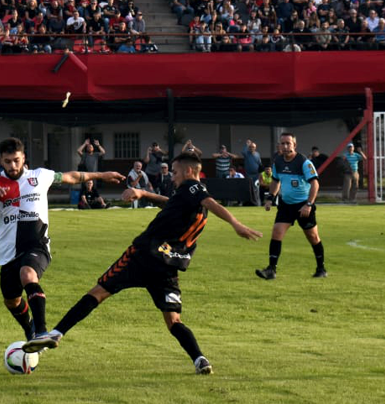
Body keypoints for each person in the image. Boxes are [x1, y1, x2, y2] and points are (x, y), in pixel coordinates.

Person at [22, 152, 262, 375]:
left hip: (142, 255)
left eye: (176, 172)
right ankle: (199, 359)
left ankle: (56, 333)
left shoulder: (194, 187)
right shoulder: (188, 195)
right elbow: (173, 203)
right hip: (167, 265)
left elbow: (212, 203)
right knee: (173, 321)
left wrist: (236, 224)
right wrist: (144, 194)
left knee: (99, 292)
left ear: (189, 171)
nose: (174, 177)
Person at [0, 138, 125, 344]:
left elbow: (71, 176)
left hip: (37, 245)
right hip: (8, 251)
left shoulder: (39, 176)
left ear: (24, 159)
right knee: (11, 301)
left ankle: (41, 332)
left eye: (16, 160)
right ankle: (29, 329)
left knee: (27, 274)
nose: (13, 165)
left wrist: (102, 175)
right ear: (0, 161)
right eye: (8, 161)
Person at [256, 133, 327, 280]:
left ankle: (321, 268)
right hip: (286, 205)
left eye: (288, 143)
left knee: (313, 237)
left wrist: (309, 204)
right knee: (277, 232)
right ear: (279, 146)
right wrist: (270, 198)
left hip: (303, 206)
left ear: (295, 145)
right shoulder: (277, 162)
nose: (286, 146)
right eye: (283, 143)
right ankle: (271, 270)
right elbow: (275, 181)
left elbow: (315, 184)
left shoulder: (304, 162)